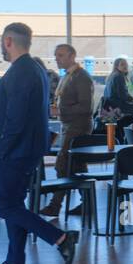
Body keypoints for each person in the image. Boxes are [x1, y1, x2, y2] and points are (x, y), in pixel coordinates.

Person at [0, 23, 78, 264]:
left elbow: (16, 119)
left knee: (3, 206)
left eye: (2, 42)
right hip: (26, 148)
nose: (1, 47)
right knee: (14, 204)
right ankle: (15, 262)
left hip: (16, 150)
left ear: (9, 40)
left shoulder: (22, 72)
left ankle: (60, 238)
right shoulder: (33, 69)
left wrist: (2, 152)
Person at [40, 43, 95, 218]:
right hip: (69, 125)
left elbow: (86, 107)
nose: (57, 58)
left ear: (72, 56)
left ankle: (55, 205)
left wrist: (60, 111)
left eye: (61, 55)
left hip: (78, 126)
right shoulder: (68, 76)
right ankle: (88, 203)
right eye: (56, 55)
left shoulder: (81, 77)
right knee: (77, 165)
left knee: (62, 164)